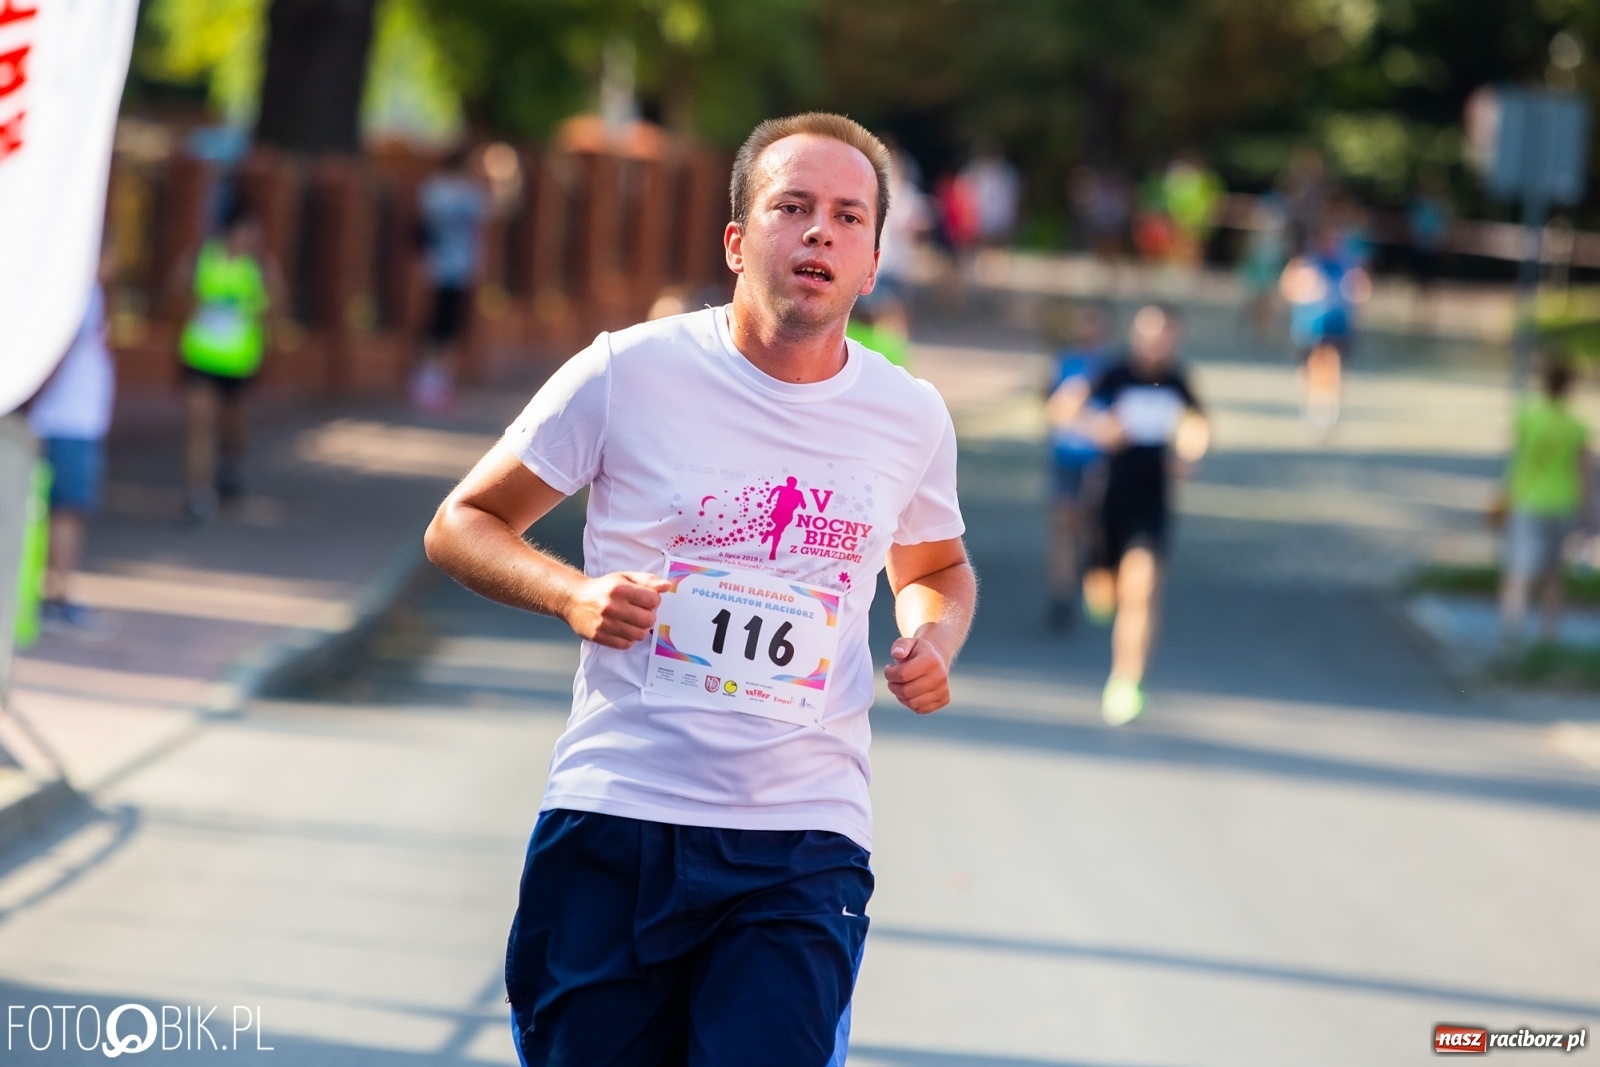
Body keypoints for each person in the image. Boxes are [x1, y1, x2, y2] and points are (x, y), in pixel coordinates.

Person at [425, 112, 976, 1065]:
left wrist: (932, 638)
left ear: (874, 259)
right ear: (736, 240)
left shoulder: (909, 415)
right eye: (792, 206)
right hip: (619, 811)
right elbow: (462, 523)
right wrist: (571, 595)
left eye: (848, 217)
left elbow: (933, 568)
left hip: (802, 839)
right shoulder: (626, 370)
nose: (819, 233)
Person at [1059, 305, 1208, 724]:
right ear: (1136, 335)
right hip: (1108, 494)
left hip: (1152, 498)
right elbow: (1063, 408)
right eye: (1149, 333)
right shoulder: (1113, 373)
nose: (1156, 342)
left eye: (1165, 335)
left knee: (1141, 588)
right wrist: (1098, 427)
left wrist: (1188, 454)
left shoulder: (1177, 380)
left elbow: (1198, 423)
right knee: (1106, 591)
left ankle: (1126, 682)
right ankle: (1097, 581)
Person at [27, 246, 117, 635]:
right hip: (66, 420)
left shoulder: (86, 293)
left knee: (64, 509)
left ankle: (56, 590)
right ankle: (55, 594)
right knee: (67, 508)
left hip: (73, 419)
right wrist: (34, 401)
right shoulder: (81, 294)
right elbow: (57, 354)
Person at [177, 202, 280, 522]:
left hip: (238, 362)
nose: (252, 238)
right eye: (247, 230)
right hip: (201, 356)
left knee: (232, 425)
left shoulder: (259, 266)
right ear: (232, 231)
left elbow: (275, 310)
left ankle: (230, 466)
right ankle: (198, 492)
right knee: (200, 422)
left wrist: (270, 290)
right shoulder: (203, 258)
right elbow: (178, 294)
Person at [1498, 358, 1594, 645]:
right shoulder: (1576, 426)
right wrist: (1588, 515)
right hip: (1563, 502)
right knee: (1553, 574)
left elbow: (1516, 459)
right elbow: (1585, 475)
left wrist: (1506, 495)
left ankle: (1511, 635)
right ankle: (1547, 639)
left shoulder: (1526, 416)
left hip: (1527, 499)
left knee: (1518, 570)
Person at [1043, 301, 1114, 630]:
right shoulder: (1063, 363)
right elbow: (1049, 406)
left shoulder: (1113, 367)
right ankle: (1062, 594)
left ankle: (1092, 573)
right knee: (1063, 524)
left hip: (1098, 459)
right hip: (1065, 457)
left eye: (1095, 323)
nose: (1089, 331)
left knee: (1090, 523)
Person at [412, 145, 489, 411]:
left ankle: (432, 382)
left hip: (434, 267)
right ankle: (434, 383)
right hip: (456, 268)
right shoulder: (467, 194)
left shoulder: (432, 190)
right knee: (445, 328)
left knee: (436, 325)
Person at [1279, 219, 1368, 433]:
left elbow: (1363, 288)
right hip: (1309, 325)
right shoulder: (1305, 262)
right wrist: (1305, 291)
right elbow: (1287, 288)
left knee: (1331, 363)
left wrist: (1354, 293)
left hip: (1338, 324)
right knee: (1311, 367)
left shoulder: (1347, 262)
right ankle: (1314, 402)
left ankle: (1328, 405)